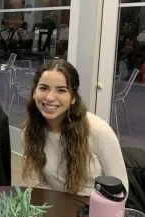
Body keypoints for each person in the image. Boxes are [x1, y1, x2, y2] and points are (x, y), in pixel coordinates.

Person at [22, 59, 128, 196]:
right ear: (34, 92)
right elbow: (43, 184)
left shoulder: (99, 131)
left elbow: (120, 191)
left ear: (73, 98)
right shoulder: (30, 131)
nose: (49, 97)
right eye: (43, 88)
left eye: (61, 90)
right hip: (58, 207)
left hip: (95, 211)